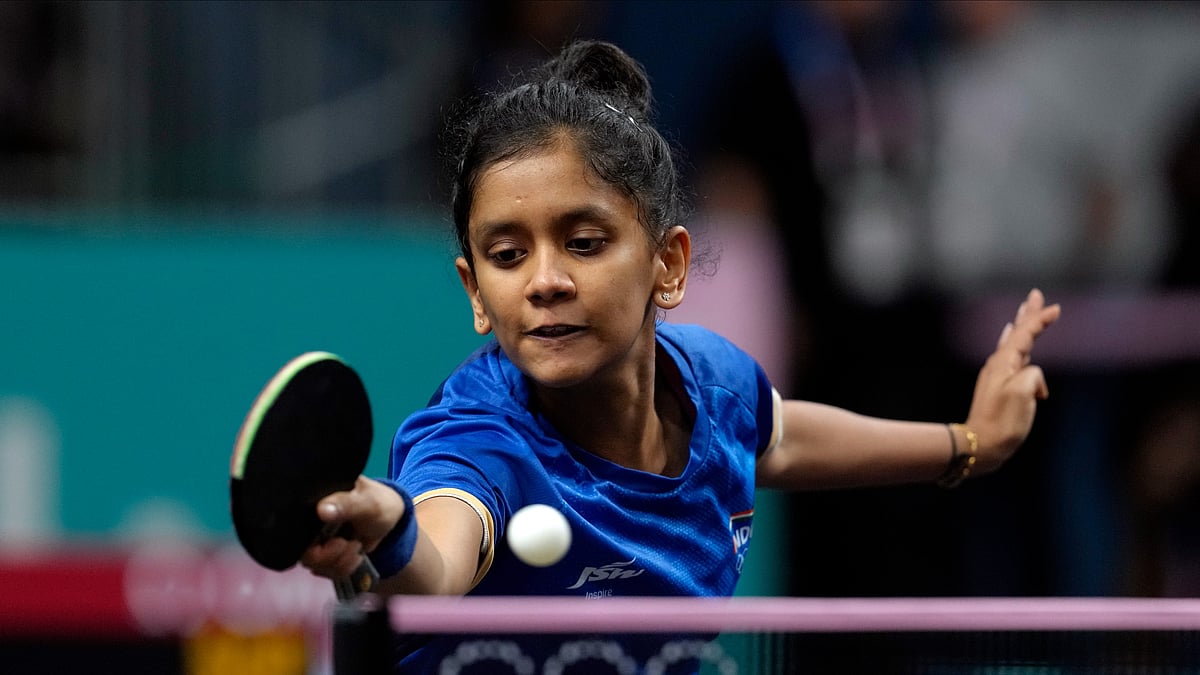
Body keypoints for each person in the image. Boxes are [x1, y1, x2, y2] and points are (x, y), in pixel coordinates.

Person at [301, 39, 1060, 670]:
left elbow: (781, 437)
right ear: (474, 290)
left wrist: (970, 443)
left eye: (584, 242)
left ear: (668, 264)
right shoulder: (478, 441)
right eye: (506, 254)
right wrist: (392, 526)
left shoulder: (716, 385)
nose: (544, 281)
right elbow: (435, 565)